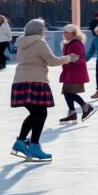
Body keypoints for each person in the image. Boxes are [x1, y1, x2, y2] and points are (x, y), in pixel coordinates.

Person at [9, 19, 77, 162]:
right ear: (38, 30)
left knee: (36, 113)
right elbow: (52, 61)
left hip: (20, 81)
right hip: (35, 81)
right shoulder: (39, 42)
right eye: (43, 29)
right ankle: (33, 145)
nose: (44, 31)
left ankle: (21, 142)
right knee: (40, 113)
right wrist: (69, 58)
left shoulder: (21, 42)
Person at [58, 24, 95, 125]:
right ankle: (73, 113)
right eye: (64, 32)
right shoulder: (69, 43)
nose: (64, 34)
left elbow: (79, 58)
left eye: (67, 32)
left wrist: (66, 61)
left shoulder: (76, 43)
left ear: (73, 33)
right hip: (70, 71)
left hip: (76, 72)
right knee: (67, 92)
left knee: (68, 92)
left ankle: (85, 106)